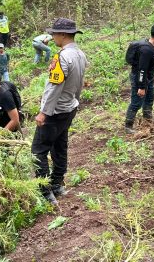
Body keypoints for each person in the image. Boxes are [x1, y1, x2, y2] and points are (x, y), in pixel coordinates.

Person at [33, 18, 87, 205]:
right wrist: (75, 101)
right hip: (69, 108)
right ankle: (58, 184)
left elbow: (54, 87)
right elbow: (79, 83)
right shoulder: (80, 54)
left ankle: (45, 191)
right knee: (60, 146)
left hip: (55, 112)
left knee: (38, 151)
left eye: (54, 33)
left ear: (63, 35)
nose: (52, 36)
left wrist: (44, 112)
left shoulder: (62, 57)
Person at [124, 24, 154, 134]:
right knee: (137, 102)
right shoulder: (146, 50)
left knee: (149, 98)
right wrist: (141, 87)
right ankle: (128, 125)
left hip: (148, 78)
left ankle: (148, 119)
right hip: (140, 79)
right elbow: (142, 70)